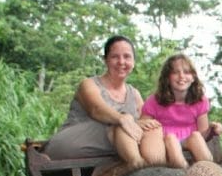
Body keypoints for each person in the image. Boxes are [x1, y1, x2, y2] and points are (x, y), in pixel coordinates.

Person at [44, 35, 165, 167]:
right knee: (120, 124)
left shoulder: (134, 94)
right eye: (115, 57)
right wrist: (123, 119)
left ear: (134, 61)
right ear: (105, 60)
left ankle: (156, 169)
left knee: (152, 127)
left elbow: (144, 122)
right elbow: (96, 109)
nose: (121, 62)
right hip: (71, 144)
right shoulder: (89, 84)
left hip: (117, 146)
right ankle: (138, 166)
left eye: (127, 57)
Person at [140, 54, 222, 168]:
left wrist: (212, 129)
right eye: (175, 72)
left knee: (196, 136)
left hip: (189, 140)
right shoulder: (155, 100)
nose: (181, 76)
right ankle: (183, 170)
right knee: (171, 139)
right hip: (165, 141)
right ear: (167, 78)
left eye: (186, 72)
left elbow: (203, 133)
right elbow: (143, 126)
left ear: (193, 77)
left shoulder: (200, 100)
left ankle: (210, 170)